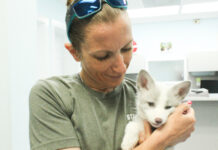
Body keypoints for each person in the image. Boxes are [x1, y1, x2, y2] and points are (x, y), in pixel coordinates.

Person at [29, 0, 196, 150]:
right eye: (103, 56)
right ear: (75, 53)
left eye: (127, 48)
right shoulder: (52, 95)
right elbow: (160, 141)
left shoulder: (138, 94)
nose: (121, 68)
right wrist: (163, 138)